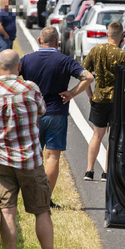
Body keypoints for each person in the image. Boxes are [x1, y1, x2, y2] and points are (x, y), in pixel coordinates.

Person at [0, 49, 69, 249]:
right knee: (41, 210)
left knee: (7, 210)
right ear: (19, 67)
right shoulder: (30, 88)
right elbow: (41, 111)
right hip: (30, 160)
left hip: (1, 161)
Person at [20, 27, 95, 208]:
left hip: (33, 115)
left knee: (32, 156)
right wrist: (71, 93)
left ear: (39, 40)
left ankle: (29, 197)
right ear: (57, 42)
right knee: (52, 157)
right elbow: (89, 77)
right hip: (56, 114)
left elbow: (10, 76)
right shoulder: (64, 60)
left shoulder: (27, 60)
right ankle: (45, 199)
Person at [81, 21, 125, 181]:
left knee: (96, 135)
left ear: (107, 33)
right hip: (117, 101)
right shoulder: (122, 55)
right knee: (112, 136)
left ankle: (89, 171)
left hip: (99, 99)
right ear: (121, 37)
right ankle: (106, 173)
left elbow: (84, 74)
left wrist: (89, 94)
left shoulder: (95, 51)